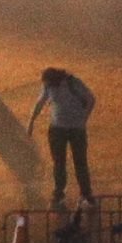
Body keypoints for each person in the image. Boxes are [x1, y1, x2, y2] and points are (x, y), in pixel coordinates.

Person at [28, 67, 97, 205]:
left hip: (74, 129)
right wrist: (31, 121)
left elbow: (91, 99)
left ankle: (84, 193)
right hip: (59, 129)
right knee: (59, 163)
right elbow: (40, 102)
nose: (46, 85)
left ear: (55, 80)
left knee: (80, 162)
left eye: (48, 83)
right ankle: (61, 193)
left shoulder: (74, 83)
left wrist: (84, 119)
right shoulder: (49, 86)